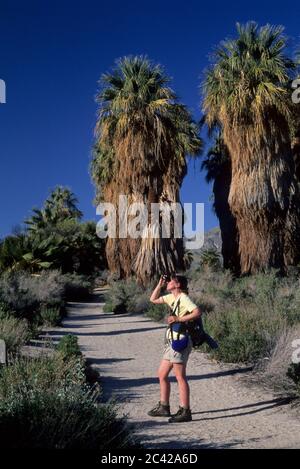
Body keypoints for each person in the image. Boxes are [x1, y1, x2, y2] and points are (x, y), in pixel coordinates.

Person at [147, 273, 201, 423]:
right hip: (172, 342)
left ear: (177, 285)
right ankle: (164, 407)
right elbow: (152, 299)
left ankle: (185, 411)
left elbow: (197, 312)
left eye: (170, 281)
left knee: (180, 377)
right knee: (162, 374)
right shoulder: (171, 297)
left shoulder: (184, 298)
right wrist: (159, 284)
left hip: (180, 341)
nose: (168, 282)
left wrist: (178, 319)